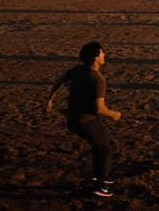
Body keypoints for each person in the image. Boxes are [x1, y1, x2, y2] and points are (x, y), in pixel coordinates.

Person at [46, 41, 122, 198]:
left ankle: (98, 175)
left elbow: (59, 80)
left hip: (72, 120)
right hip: (85, 121)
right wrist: (114, 114)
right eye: (102, 52)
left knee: (102, 142)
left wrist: (50, 99)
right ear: (96, 58)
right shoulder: (98, 79)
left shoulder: (77, 70)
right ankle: (101, 186)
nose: (104, 55)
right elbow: (99, 109)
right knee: (105, 148)